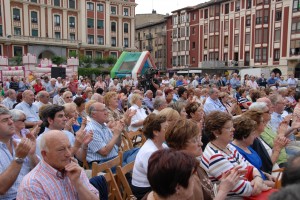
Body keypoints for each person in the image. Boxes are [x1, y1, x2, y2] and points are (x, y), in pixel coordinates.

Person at [165, 118, 240, 200]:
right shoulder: (183, 175)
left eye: (199, 138)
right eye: (195, 140)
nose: (201, 143)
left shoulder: (194, 163)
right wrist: (223, 190)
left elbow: (207, 191)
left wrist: (224, 183)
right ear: (180, 145)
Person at [201, 111, 268, 197]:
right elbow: (243, 189)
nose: (233, 129)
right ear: (216, 132)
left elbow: (248, 165)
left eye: (232, 126)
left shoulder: (228, 146)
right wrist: (261, 185)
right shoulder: (215, 156)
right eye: (229, 128)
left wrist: (258, 178)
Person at [17, 130, 99, 200]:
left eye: (69, 147)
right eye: (61, 149)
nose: (68, 154)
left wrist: (77, 183)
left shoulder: (74, 168)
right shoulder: (32, 185)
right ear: (45, 154)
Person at [0, 107, 39, 199]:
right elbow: (1, 188)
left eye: (11, 118)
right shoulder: (21, 147)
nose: (11, 122)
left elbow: (39, 171)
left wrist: (32, 154)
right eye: (5, 120)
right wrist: (18, 159)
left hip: (32, 193)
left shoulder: (20, 144)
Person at [132, 114, 168, 199]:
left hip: (154, 185)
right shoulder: (149, 152)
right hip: (144, 191)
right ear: (155, 132)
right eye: (166, 128)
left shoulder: (163, 146)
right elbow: (157, 180)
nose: (169, 131)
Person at [232, 115, 275, 187]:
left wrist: (265, 174)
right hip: (256, 186)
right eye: (252, 134)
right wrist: (268, 183)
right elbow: (246, 178)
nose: (255, 137)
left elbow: (255, 168)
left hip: (263, 179)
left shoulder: (247, 145)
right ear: (244, 137)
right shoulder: (236, 151)